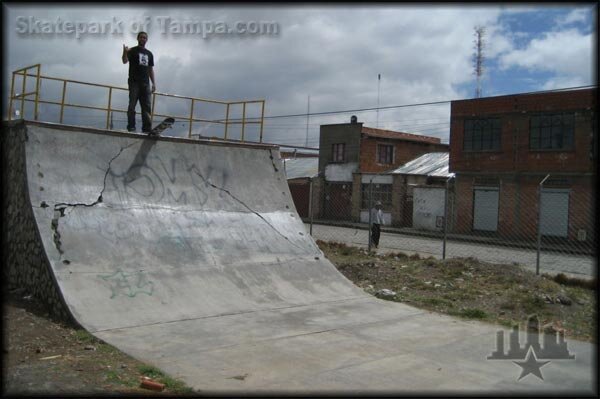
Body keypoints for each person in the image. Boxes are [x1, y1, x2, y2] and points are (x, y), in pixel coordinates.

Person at [122, 31, 156, 133]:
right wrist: (125, 52)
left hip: (146, 84)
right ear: (138, 38)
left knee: (146, 107)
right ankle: (131, 127)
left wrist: (154, 83)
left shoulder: (149, 54)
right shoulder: (132, 50)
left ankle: (146, 128)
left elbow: (150, 69)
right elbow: (124, 61)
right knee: (132, 105)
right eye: (141, 37)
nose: (143, 39)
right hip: (134, 82)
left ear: (147, 40)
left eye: (144, 38)